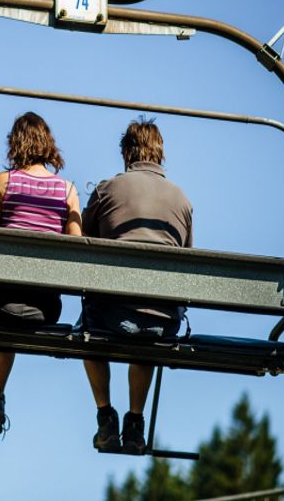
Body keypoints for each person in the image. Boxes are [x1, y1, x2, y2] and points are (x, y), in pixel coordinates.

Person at [0, 111, 82, 437]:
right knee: (9, 307)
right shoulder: (67, 191)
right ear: (48, 145)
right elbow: (78, 250)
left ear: (16, 143)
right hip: (43, 310)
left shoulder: (3, 182)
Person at [81, 117, 192, 453]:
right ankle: (136, 422)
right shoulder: (182, 201)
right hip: (162, 323)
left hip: (111, 316)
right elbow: (187, 265)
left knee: (88, 331)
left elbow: (80, 245)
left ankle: (105, 417)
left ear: (127, 153)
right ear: (159, 153)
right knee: (151, 318)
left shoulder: (107, 189)